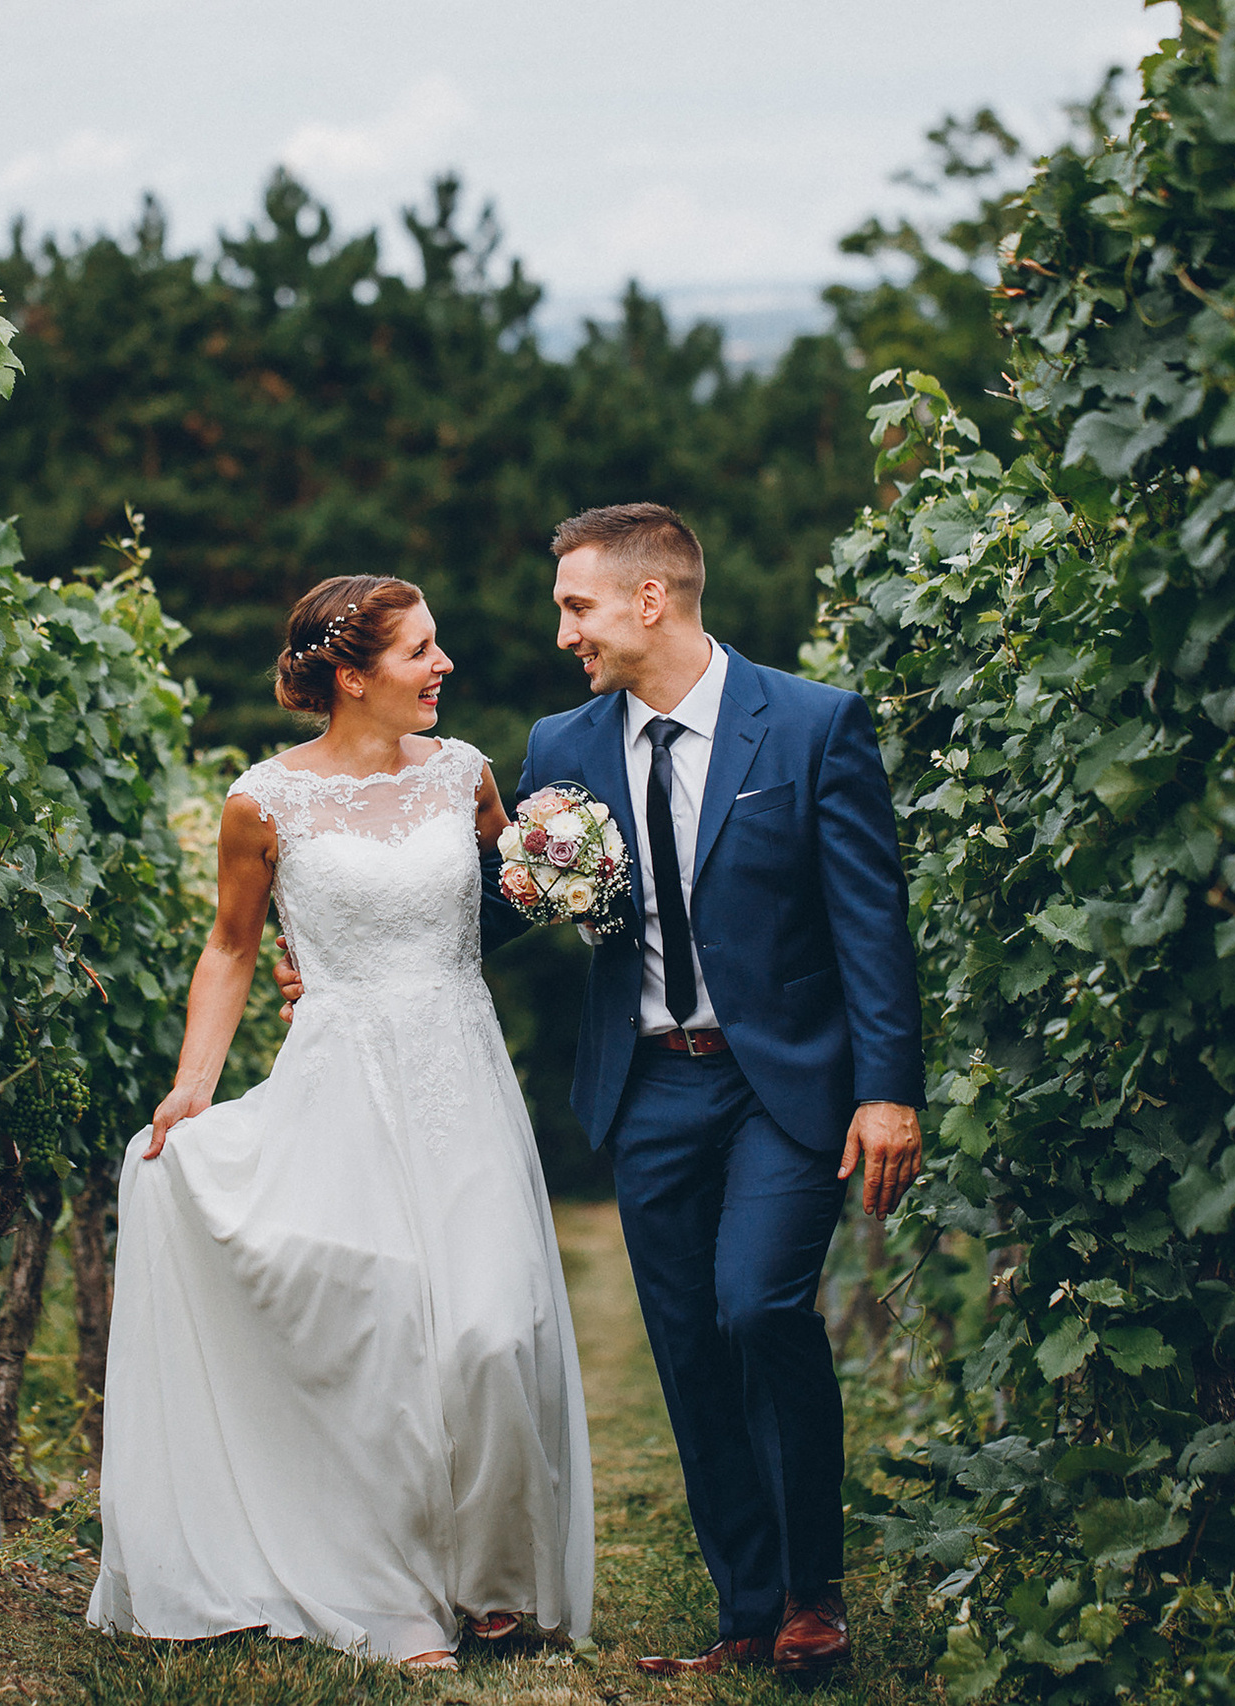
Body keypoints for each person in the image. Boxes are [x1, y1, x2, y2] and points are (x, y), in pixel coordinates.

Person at [277, 504, 924, 1684]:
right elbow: (502, 897)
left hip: (780, 1081)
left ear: (647, 600)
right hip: (647, 1090)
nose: (560, 629)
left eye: (575, 605)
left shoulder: (812, 725)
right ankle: (744, 1610)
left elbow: (870, 921)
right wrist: (336, 956)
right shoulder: (562, 745)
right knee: (683, 1343)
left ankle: (812, 1590)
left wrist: (886, 1090)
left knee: (757, 1308)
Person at [86, 574, 594, 1672]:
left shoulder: (465, 775)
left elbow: (505, 892)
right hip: (340, 1077)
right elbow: (229, 947)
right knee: (384, 1341)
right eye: (420, 650)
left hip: (459, 1072)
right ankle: (393, 1592)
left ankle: (499, 1582)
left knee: (491, 1329)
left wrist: (570, 866)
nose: (443, 663)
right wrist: (193, 1083)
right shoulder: (263, 801)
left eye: (437, 642)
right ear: (351, 676)